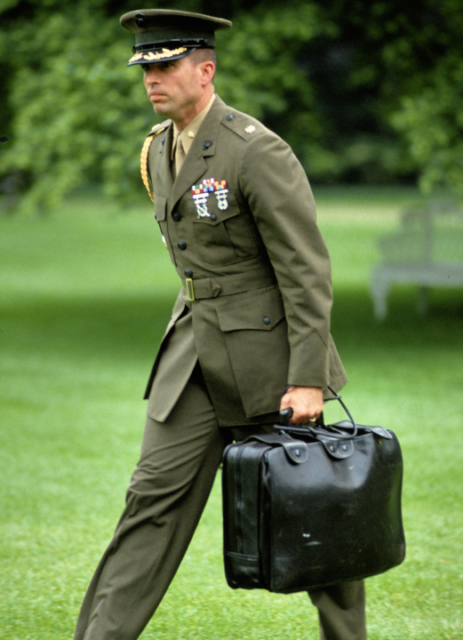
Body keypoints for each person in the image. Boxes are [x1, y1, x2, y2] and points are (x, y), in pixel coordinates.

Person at [74, 8, 366, 640]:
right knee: (148, 506)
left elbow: (307, 271)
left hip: (271, 363)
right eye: (146, 67)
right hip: (192, 361)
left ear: (205, 70)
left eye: (167, 64)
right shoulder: (156, 149)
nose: (153, 77)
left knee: (316, 508)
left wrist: (308, 377)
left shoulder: (256, 149)